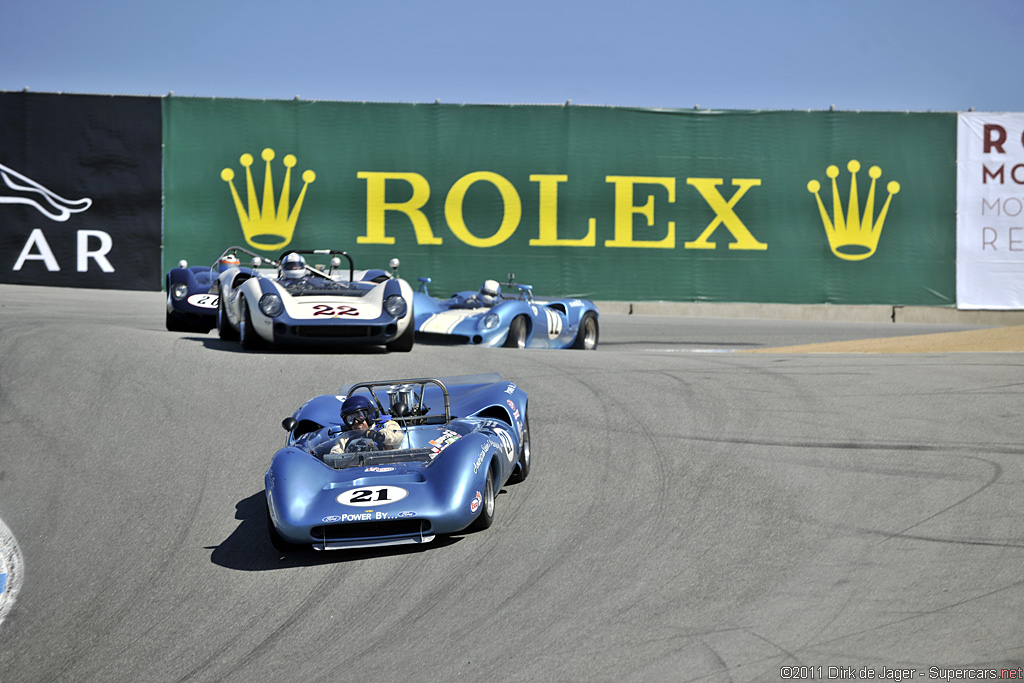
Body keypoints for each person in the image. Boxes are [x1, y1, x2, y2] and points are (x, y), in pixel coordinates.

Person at [330, 394, 404, 453]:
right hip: (358, 469)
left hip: (390, 467)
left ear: (369, 415)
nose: (356, 421)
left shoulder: (386, 425)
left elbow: (398, 436)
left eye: (360, 416)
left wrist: (380, 435)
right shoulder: (345, 438)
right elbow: (334, 456)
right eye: (350, 419)